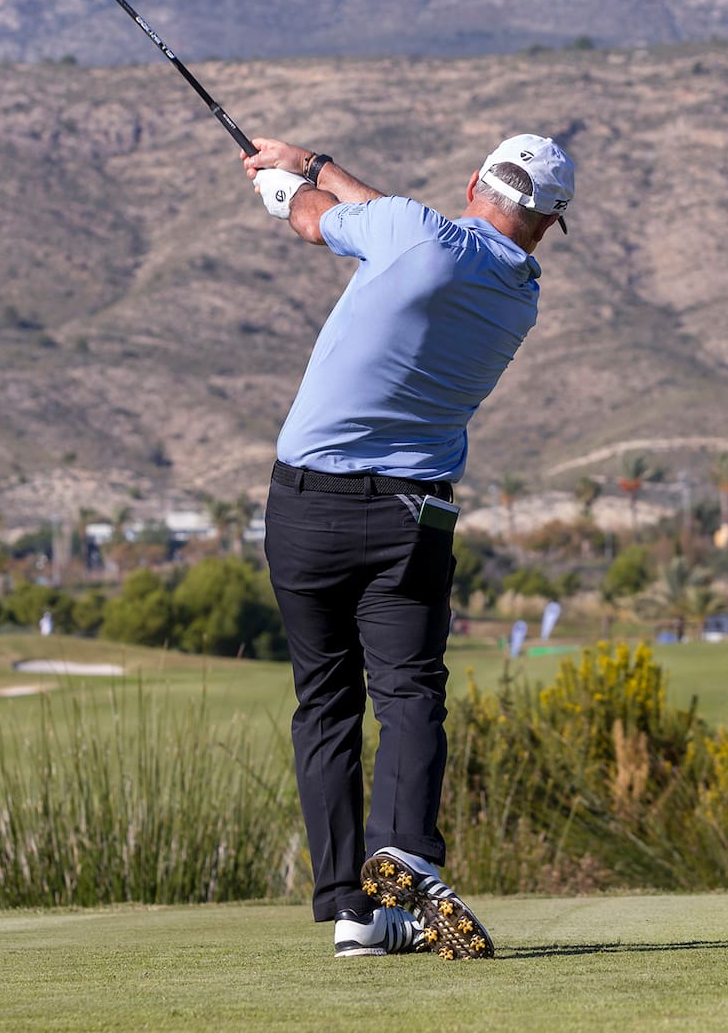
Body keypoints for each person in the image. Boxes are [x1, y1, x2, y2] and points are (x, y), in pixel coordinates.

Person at [244, 130, 573, 960]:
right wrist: (311, 164)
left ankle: (351, 911)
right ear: (546, 225)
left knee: (325, 703)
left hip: (303, 509)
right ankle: (405, 853)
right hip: (410, 517)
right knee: (410, 692)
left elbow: (317, 222)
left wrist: (284, 187)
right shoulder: (518, 295)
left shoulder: (412, 234)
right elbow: (393, 219)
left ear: (472, 184)